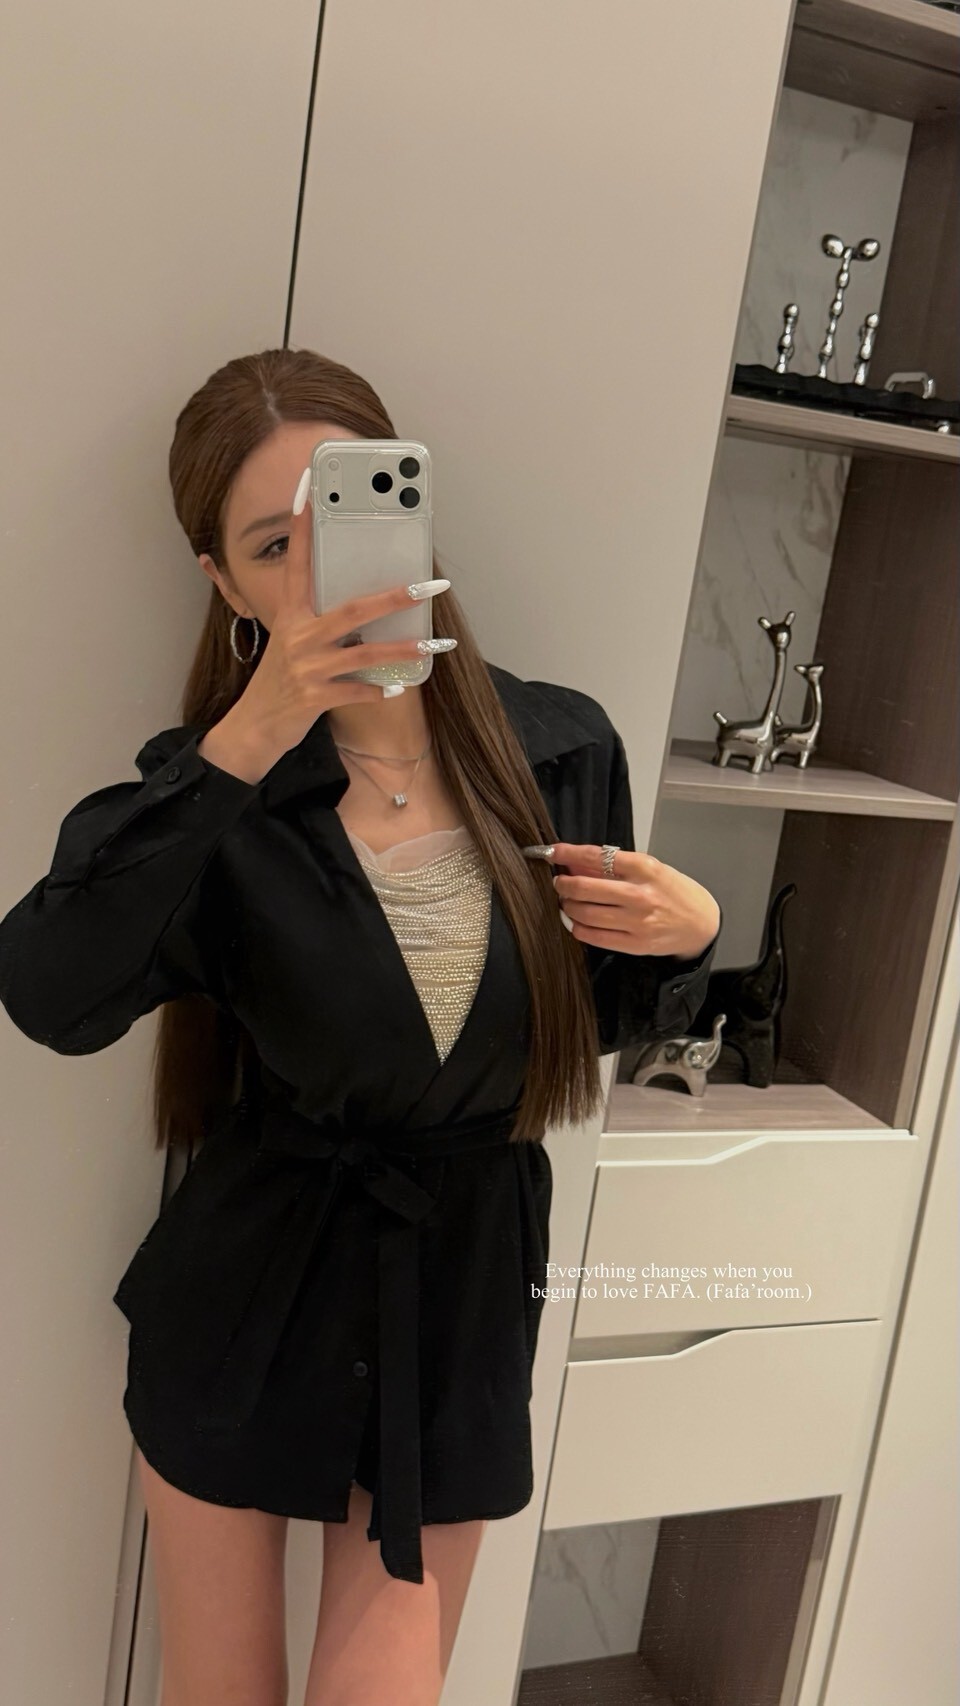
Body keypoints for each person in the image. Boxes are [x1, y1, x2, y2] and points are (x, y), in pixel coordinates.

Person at [0, 348, 721, 1706]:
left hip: (457, 1301)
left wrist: (688, 942)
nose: (323, 567)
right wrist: (250, 735)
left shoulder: (559, 751)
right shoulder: (208, 799)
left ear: (411, 507)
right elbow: (51, 990)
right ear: (225, 585)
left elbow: (574, 1031)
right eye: (275, 545)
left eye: (347, 513)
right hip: (249, 1301)